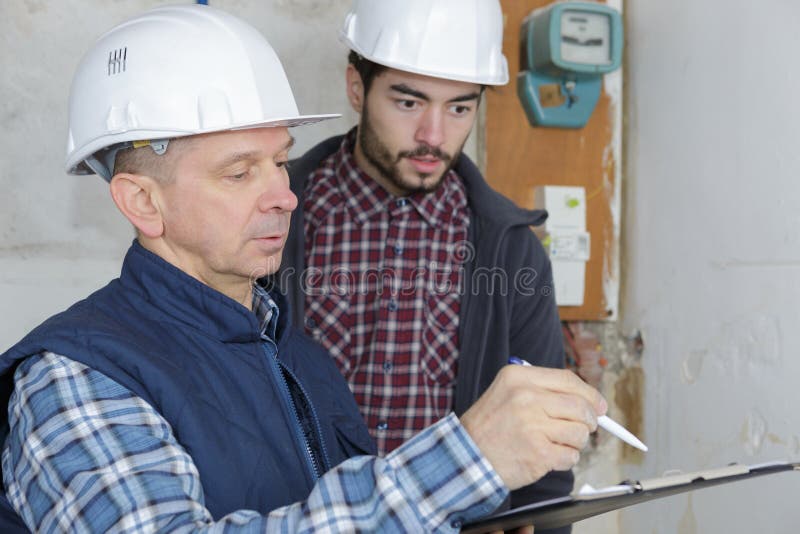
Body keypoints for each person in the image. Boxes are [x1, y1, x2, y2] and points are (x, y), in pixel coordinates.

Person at [0, 5, 606, 533]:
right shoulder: (74, 380)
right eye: (239, 173)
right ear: (142, 202)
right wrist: (466, 460)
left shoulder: (295, 358)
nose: (285, 197)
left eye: (281, 162)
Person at [277, 0, 575, 523]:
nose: (433, 137)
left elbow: (544, 466)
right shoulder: (272, 221)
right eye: (410, 103)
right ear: (356, 87)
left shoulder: (511, 250)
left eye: (459, 108)